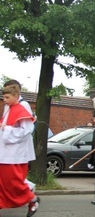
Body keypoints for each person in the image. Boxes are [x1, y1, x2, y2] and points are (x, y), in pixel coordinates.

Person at [0, 84, 40, 216]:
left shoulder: (22, 108)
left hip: (14, 154)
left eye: (6, 97)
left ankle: (32, 198)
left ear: (16, 96)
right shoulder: (9, 108)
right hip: (5, 152)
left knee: (13, 181)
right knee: (3, 182)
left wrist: (6, 129)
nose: (4, 100)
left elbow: (27, 130)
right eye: (3, 97)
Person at [2, 79, 37, 192]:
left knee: (15, 176)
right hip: (8, 144)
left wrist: (6, 130)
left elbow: (26, 127)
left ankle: (28, 192)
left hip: (18, 145)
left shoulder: (23, 105)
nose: (5, 99)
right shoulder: (9, 105)